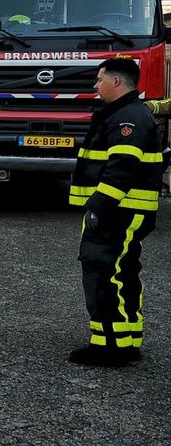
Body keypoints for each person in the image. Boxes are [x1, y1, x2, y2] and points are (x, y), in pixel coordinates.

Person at [67, 57, 161, 367]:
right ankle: (126, 339)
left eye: (99, 79)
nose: (96, 85)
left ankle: (109, 346)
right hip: (124, 209)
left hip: (118, 210)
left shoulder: (128, 117)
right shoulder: (127, 113)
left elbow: (122, 168)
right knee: (123, 272)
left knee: (103, 271)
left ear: (116, 81)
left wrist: (98, 206)